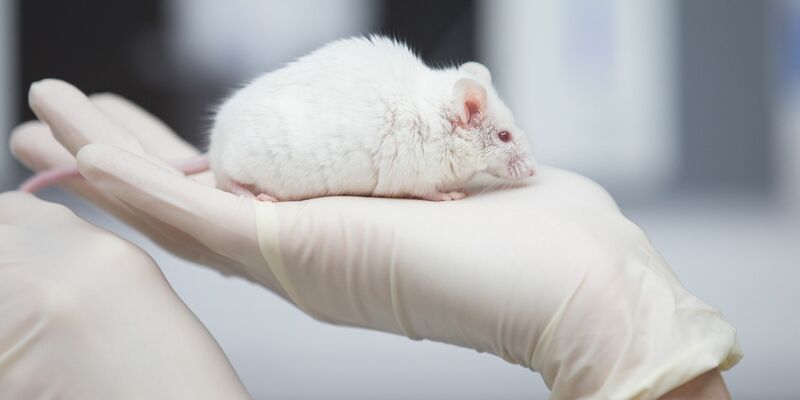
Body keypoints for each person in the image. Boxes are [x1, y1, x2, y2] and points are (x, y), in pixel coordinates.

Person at [2, 79, 741, 399]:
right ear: (470, 112)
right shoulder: (437, 128)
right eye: (507, 138)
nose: (524, 158)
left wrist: (614, 324)